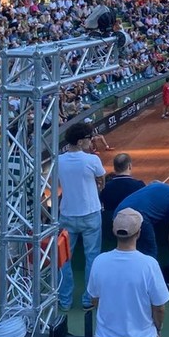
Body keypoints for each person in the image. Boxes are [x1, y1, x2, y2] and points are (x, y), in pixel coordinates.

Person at [86, 208, 169, 337]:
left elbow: (94, 299)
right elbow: (159, 308)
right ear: (139, 233)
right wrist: (158, 329)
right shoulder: (149, 264)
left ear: (114, 231)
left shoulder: (99, 261)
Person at [57, 123, 106, 312]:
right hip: (90, 214)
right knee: (92, 257)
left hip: (67, 215)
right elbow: (101, 181)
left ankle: (65, 300)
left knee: (63, 259)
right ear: (79, 141)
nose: (91, 140)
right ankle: (88, 299)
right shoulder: (92, 160)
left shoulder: (58, 161)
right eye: (88, 138)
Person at [116, 181, 169, 262]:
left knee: (125, 248)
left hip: (118, 213)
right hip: (139, 217)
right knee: (150, 252)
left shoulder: (157, 184)